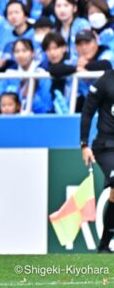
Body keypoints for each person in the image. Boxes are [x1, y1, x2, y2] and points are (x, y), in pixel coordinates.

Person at [80, 69, 114, 253]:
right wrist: (84, 144)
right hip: (106, 146)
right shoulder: (106, 80)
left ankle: (104, 244)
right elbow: (87, 112)